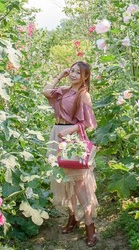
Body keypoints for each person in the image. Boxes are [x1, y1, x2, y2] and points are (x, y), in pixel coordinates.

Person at [42, 61, 99, 247]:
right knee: (64, 182)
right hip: (56, 135)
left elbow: (89, 123)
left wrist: (68, 131)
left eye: (78, 73)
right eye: (72, 71)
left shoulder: (84, 95)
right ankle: (72, 218)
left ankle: (90, 226)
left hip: (71, 139)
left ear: (85, 77)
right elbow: (46, 91)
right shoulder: (64, 90)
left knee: (79, 184)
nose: (74, 74)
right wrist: (60, 75)